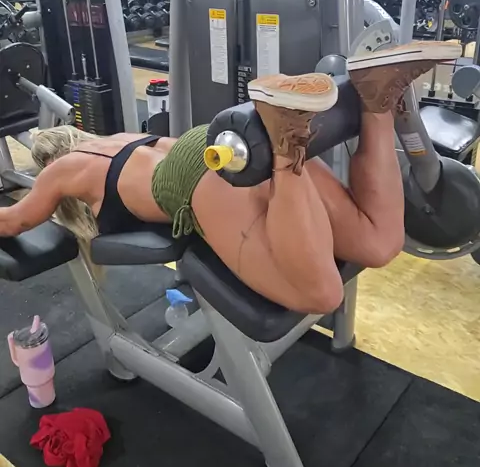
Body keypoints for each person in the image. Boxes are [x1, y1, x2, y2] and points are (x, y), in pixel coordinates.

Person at [0, 40, 460, 314]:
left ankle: (284, 143)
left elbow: (14, 222)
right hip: (220, 144)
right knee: (380, 244)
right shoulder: (117, 138)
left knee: (322, 295)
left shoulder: (63, 170)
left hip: (191, 177)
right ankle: (376, 99)